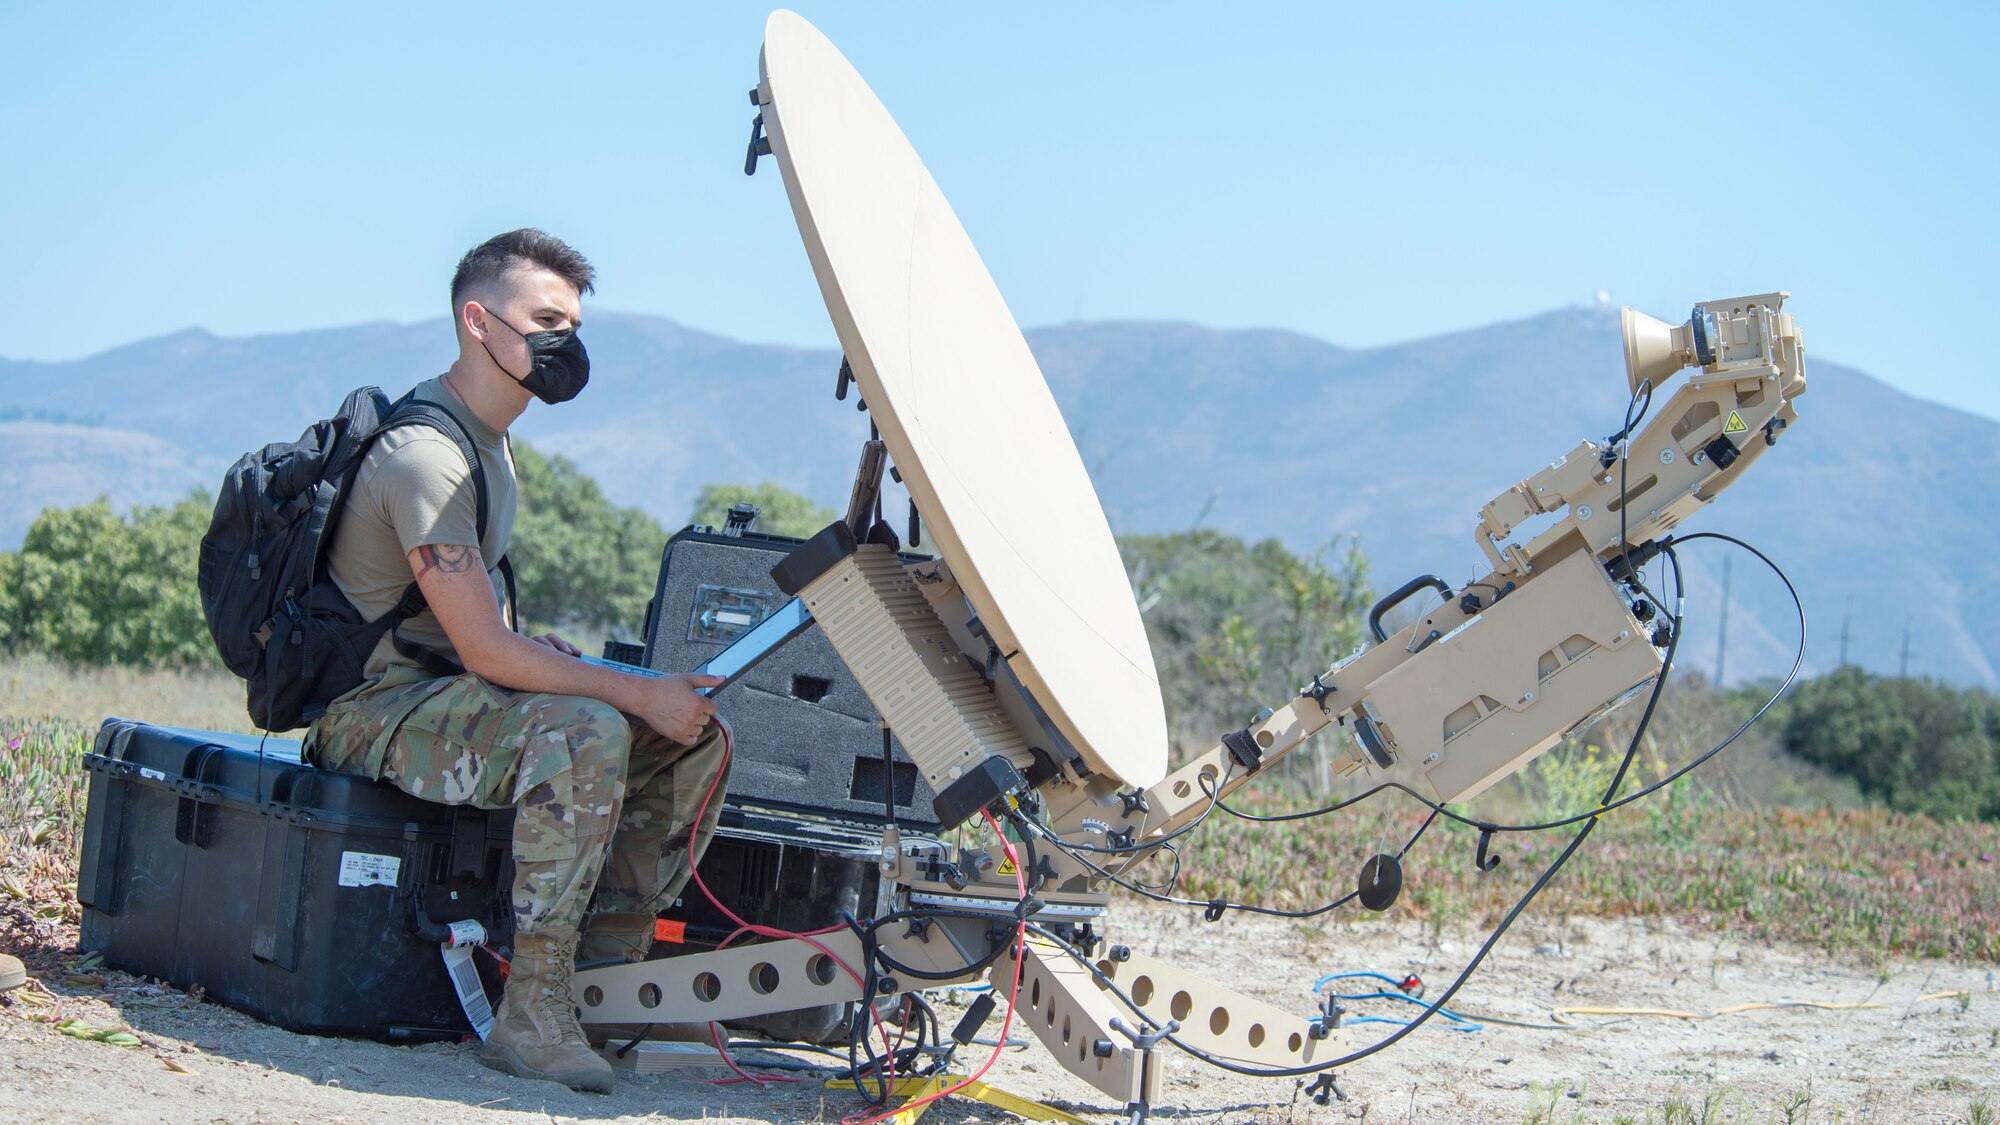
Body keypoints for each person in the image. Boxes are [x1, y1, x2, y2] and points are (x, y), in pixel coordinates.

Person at [302, 229, 729, 1094]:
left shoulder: (492, 442)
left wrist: (556, 659)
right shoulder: (428, 455)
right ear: (477, 321)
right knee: (588, 727)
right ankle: (531, 1013)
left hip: (442, 694)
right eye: (544, 319)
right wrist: (637, 690)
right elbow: (485, 651)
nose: (562, 342)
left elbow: (482, 631)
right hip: (369, 710)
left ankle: (606, 985)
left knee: (696, 740)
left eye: (571, 323)